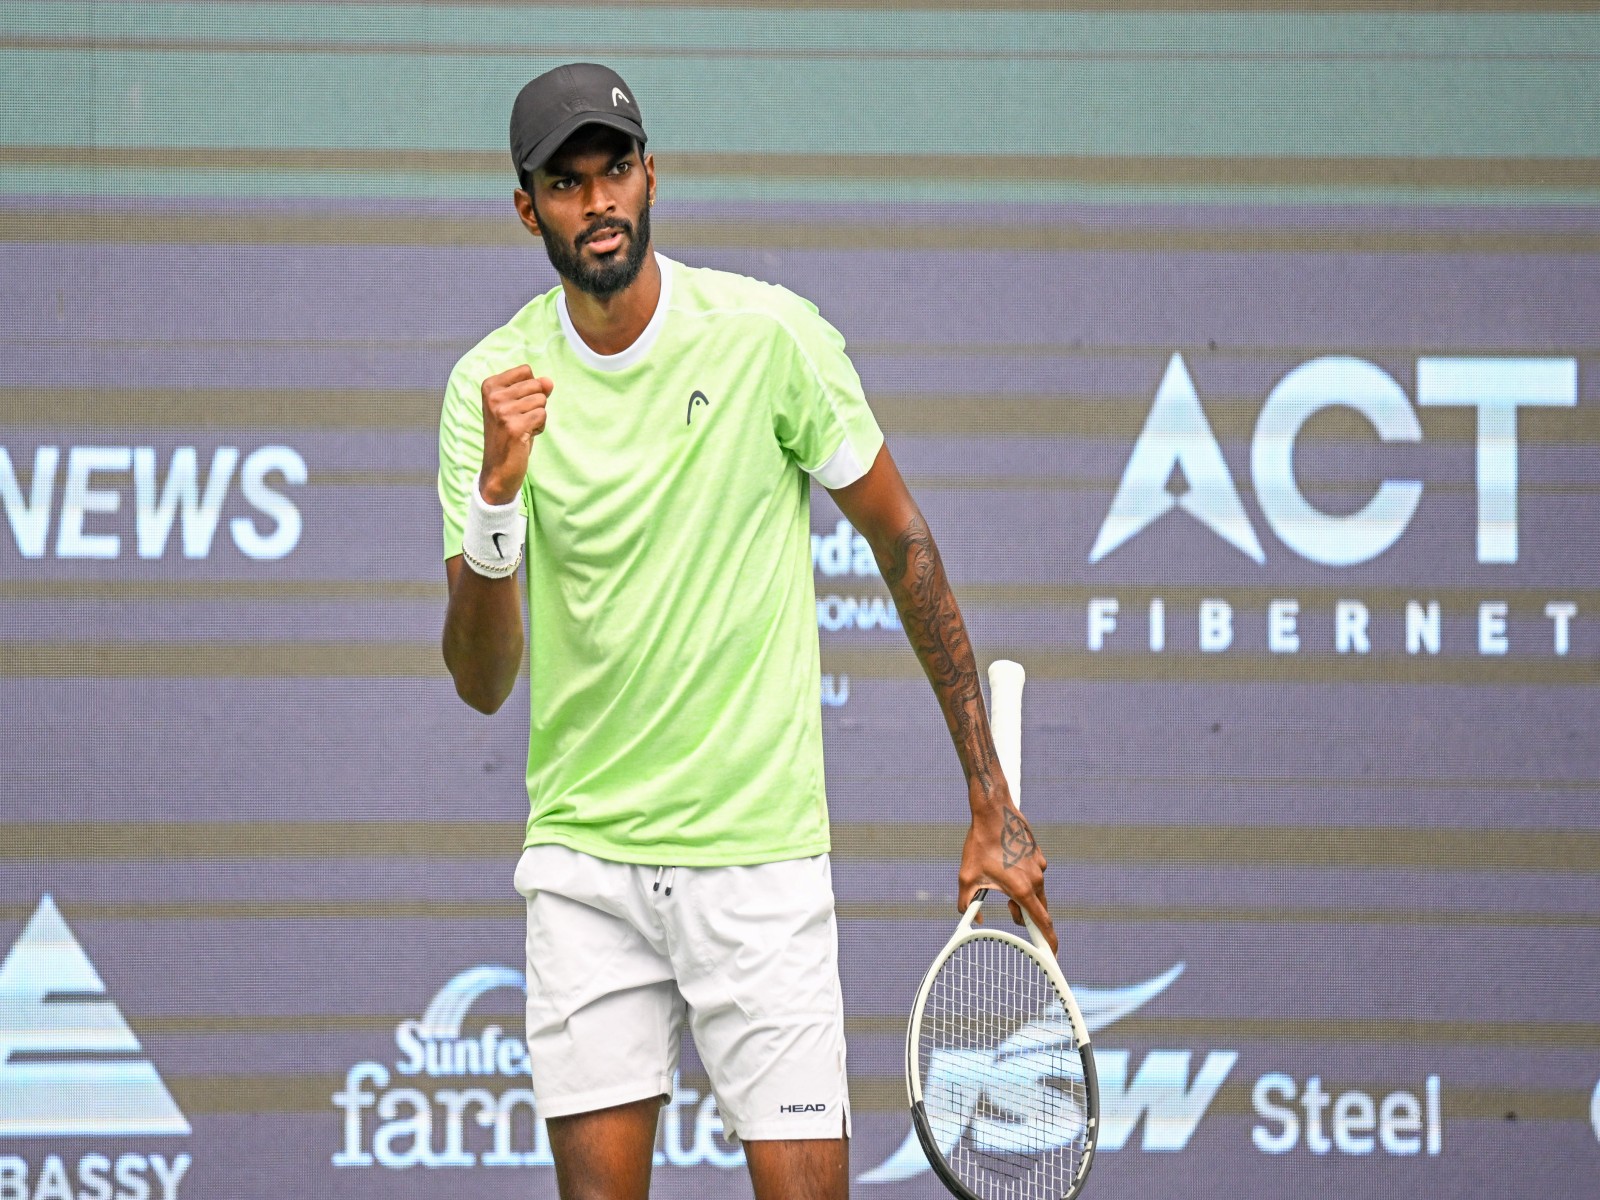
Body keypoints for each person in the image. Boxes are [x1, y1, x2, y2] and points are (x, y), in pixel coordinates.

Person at [437, 62, 1055, 1200]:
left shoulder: (770, 339)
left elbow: (903, 542)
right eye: (566, 183)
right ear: (528, 210)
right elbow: (482, 679)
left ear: (652, 175)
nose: (598, 201)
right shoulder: (493, 386)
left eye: (615, 169)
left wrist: (989, 799)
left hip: (759, 865)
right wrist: (494, 498)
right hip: (585, 870)